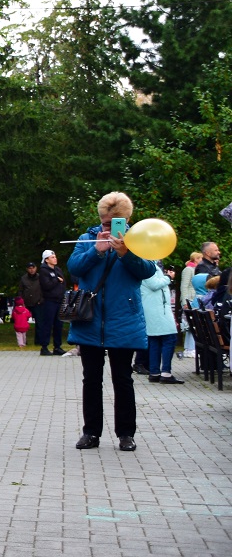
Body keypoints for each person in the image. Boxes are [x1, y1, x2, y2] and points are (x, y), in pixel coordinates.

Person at [67, 191, 154, 452]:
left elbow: (148, 271)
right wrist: (97, 251)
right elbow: (74, 267)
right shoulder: (87, 238)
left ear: (126, 221)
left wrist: (126, 253)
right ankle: (91, 433)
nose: (109, 228)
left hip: (123, 320)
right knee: (91, 379)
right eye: (105, 222)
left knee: (123, 379)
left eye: (115, 223)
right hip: (90, 319)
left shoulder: (138, 241)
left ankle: (126, 434)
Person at [142, 260, 183, 384]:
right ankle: (165, 372)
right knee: (169, 338)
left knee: (155, 339)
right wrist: (168, 277)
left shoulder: (146, 265)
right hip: (157, 308)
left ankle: (154, 372)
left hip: (154, 307)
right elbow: (154, 284)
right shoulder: (149, 266)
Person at [37, 249, 67, 355]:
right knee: (48, 324)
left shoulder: (58, 269)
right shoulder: (44, 271)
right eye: (52, 257)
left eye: (55, 257)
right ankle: (44, 347)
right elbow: (46, 285)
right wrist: (56, 281)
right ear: (46, 260)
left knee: (59, 324)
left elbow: (63, 282)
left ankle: (57, 346)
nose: (55, 259)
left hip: (59, 300)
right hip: (49, 301)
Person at [177, 251, 201, 358]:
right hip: (190, 300)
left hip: (193, 299)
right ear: (195, 259)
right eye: (200, 258)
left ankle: (189, 348)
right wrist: (185, 301)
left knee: (190, 326)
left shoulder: (196, 270)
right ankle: (190, 348)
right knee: (191, 325)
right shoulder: (188, 270)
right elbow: (184, 286)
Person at [18, 261, 43, 341]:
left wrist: (41, 300)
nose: (31, 270)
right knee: (22, 323)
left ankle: (38, 340)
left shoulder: (40, 277)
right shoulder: (23, 278)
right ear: (27, 269)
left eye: (33, 268)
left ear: (36, 268)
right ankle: (23, 340)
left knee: (39, 322)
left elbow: (44, 289)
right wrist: (21, 303)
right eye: (30, 268)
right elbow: (20, 291)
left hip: (37, 303)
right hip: (26, 303)